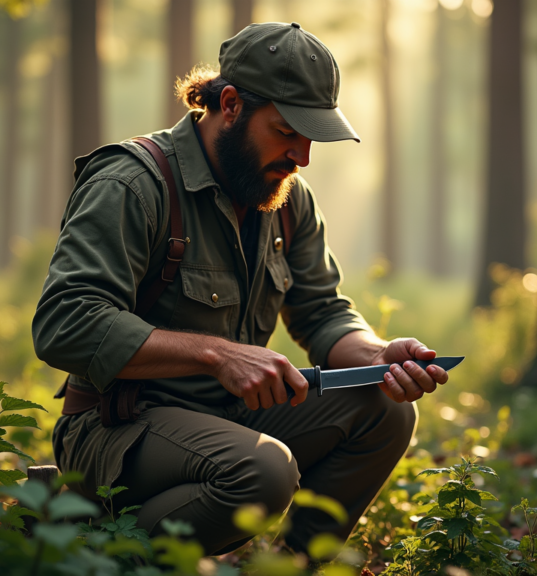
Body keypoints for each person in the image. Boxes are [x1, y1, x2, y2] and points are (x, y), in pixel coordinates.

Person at [32, 22, 448, 558]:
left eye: (312, 137)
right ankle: (95, 547)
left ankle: (287, 569)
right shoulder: (134, 183)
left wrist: (375, 355)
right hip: (117, 426)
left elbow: (322, 312)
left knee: (386, 410)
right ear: (230, 104)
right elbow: (66, 323)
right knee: (263, 470)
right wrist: (217, 355)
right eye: (287, 131)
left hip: (225, 421)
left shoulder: (285, 200)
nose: (302, 157)